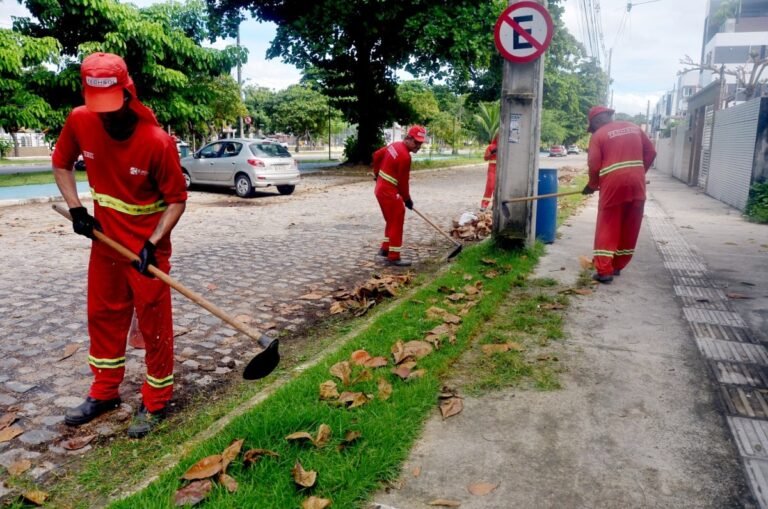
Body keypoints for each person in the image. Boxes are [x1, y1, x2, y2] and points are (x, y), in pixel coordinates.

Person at [52, 52, 187, 438]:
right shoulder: (80, 120)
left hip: (146, 249)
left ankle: (156, 399)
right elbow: (61, 163)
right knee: (104, 316)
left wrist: (154, 242)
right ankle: (104, 392)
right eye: (100, 107)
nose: (106, 116)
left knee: (154, 324)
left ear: (128, 93)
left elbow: (177, 199)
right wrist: (78, 210)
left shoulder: (157, 142)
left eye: (112, 106)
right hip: (105, 241)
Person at [582, 106, 656, 284]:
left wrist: (592, 185)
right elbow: (651, 152)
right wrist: (638, 172)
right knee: (630, 224)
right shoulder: (635, 128)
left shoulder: (598, 136)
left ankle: (604, 271)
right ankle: (617, 265)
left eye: (592, 127)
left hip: (612, 186)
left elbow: (593, 164)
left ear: (596, 121)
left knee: (608, 224)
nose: (593, 130)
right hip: (637, 184)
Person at [371, 125, 426, 266]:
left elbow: (376, 155)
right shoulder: (405, 157)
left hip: (380, 189)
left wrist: (376, 173)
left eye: (420, 143)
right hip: (389, 192)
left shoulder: (394, 145)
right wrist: (407, 199)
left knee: (391, 219)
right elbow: (403, 183)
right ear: (408, 138)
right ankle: (394, 257)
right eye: (416, 142)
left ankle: (385, 249)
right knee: (396, 219)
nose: (418, 146)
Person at [480, 135, 498, 211]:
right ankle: (484, 204)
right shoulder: (491, 146)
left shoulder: (505, 146)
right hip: (492, 169)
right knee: (490, 186)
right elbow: (485, 158)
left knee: (498, 187)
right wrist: (492, 153)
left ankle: (495, 204)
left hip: (501, 170)